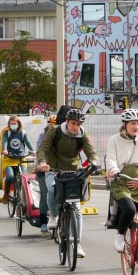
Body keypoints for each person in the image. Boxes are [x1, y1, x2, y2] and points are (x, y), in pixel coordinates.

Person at [36, 108, 99, 255]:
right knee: (52, 190)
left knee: (76, 208)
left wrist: (94, 161)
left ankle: (77, 244)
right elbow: (43, 149)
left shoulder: (82, 134)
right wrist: (42, 162)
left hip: (73, 172)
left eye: (78, 124)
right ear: (67, 122)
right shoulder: (54, 131)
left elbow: (91, 151)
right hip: (53, 169)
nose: (76, 127)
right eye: (73, 123)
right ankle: (53, 215)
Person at [104, 108, 138, 254]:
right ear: (125, 124)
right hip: (123, 183)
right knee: (129, 210)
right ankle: (120, 235)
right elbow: (110, 160)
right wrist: (114, 171)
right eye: (132, 123)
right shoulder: (114, 140)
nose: (136, 127)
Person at [0, 115, 34, 204]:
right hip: (9, 159)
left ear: (18, 124)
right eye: (11, 124)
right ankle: (6, 194)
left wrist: (32, 150)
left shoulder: (23, 133)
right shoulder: (6, 133)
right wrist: (5, 150)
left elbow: (28, 142)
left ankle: (24, 197)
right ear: (9, 124)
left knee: (24, 178)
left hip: (21, 159)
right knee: (10, 176)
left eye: (14, 123)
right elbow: (5, 141)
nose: (13, 125)